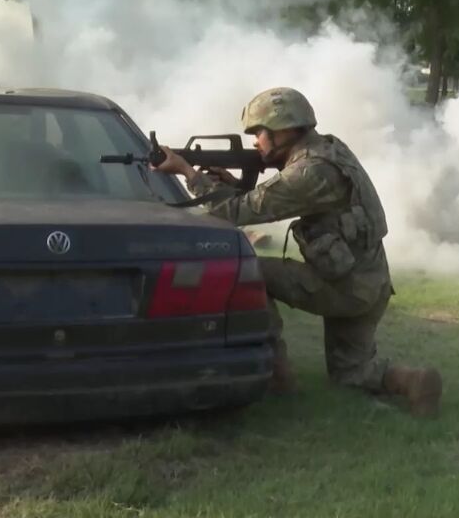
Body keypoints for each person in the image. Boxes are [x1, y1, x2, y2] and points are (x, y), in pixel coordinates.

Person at [151, 87, 443, 417]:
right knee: (351, 373)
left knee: (252, 272)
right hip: (368, 283)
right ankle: (414, 381)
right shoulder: (330, 150)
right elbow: (277, 197)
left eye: (259, 132)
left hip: (345, 288)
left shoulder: (309, 172)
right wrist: (229, 185)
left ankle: (279, 375)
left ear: (285, 130)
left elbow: (239, 212)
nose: (255, 142)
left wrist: (188, 173)